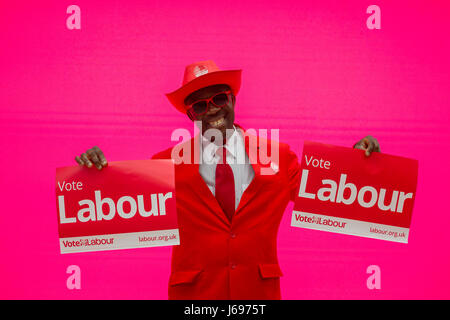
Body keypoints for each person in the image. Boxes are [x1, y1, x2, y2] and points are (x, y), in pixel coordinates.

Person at [74, 60, 381, 299]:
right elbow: (121, 204)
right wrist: (95, 173)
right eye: (200, 105)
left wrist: (354, 163)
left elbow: (326, 193)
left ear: (233, 99)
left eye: (219, 98)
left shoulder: (279, 156)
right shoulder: (164, 164)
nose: (212, 110)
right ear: (190, 116)